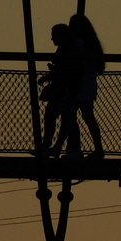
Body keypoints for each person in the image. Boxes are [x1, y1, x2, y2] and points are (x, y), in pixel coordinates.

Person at [68, 12, 104, 159]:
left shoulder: (79, 43)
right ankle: (98, 149)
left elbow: (76, 63)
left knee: (70, 115)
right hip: (88, 84)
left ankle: (72, 149)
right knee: (86, 116)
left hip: (79, 84)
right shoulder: (91, 43)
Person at [40, 22, 81, 155]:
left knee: (52, 116)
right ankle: (55, 147)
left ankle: (47, 146)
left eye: (53, 35)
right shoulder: (69, 49)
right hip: (67, 90)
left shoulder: (65, 50)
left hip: (63, 91)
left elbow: (64, 71)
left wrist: (50, 75)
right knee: (66, 120)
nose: (52, 38)